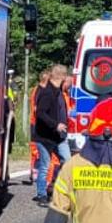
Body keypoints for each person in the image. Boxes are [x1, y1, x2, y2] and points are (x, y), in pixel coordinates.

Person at [30, 65, 72, 205]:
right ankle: (42, 195)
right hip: (45, 137)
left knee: (67, 162)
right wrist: (56, 125)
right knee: (45, 166)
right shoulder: (47, 92)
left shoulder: (58, 91)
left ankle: (56, 187)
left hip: (59, 137)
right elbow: (40, 113)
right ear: (62, 77)